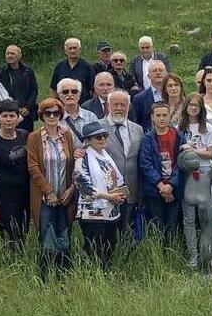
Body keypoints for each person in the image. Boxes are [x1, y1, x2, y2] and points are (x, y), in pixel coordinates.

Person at [27, 97, 76, 275]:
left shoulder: (67, 135)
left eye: (56, 113)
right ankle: (45, 276)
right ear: (42, 115)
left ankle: (63, 274)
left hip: (65, 195)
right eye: (48, 113)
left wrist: (71, 189)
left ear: (60, 115)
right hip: (44, 197)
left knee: (64, 234)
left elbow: (72, 164)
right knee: (46, 235)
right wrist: (48, 192)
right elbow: (33, 167)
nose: (52, 116)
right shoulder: (34, 138)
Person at [73, 121, 126, 269]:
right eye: (97, 137)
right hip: (92, 213)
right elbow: (82, 185)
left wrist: (119, 194)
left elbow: (116, 179)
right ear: (88, 140)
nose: (102, 139)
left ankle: (105, 274)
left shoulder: (105, 155)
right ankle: (90, 276)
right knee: (94, 248)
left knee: (110, 244)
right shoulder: (82, 158)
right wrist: (109, 197)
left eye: (104, 136)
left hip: (111, 211)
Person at [0, 99, 31, 245]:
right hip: (5, 196)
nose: (8, 119)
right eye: (4, 116)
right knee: (9, 235)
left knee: (24, 231)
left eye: (12, 116)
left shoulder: (24, 135)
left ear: (17, 118)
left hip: (25, 193)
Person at [179, 92, 212, 265]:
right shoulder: (179, 128)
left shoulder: (208, 128)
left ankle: (208, 252)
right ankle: (193, 256)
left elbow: (210, 154)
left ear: (201, 108)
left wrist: (192, 150)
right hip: (185, 174)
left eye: (197, 105)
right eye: (191, 105)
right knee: (188, 218)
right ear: (186, 106)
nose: (193, 108)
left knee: (205, 215)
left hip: (203, 173)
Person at [100, 90, 144, 237]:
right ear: (108, 106)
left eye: (123, 105)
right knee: (108, 234)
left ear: (129, 107)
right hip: (108, 191)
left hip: (132, 188)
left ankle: (128, 258)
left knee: (129, 230)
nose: (119, 108)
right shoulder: (97, 127)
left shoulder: (138, 129)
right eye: (115, 104)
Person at [139, 102, 185, 236]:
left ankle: (172, 253)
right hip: (155, 189)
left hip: (174, 188)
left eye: (165, 115)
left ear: (170, 116)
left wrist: (171, 185)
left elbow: (181, 162)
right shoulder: (147, 138)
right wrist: (161, 186)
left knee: (172, 225)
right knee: (157, 224)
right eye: (158, 115)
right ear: (152, 117)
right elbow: (145, 164)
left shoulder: (178, 136)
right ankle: (158, 253)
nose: (162, 118)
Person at [0, 45, 38, 132]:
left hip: (26, 113)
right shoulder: (0, 72)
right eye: (7, 53)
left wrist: (28, 107)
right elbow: (0, 92)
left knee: (27, 138)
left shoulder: (28, 71)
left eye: (12, 53)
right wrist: (16, 108)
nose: (9, 56)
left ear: (19, 56)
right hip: (9, 112)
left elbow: (34, 90)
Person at [49, 38, 95, 104]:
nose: (72, 51)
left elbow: (94, 90)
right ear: (65, 51)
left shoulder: (87, 67)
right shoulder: (59, 66)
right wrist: (54, 104)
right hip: (63, 106)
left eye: (75, 48)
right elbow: (54, 89)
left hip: (83, 106)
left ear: (79, 50)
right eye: (70, 48)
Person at [57, 78, 99, 147]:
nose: (70, 94)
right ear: (60, 96)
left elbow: (98, 140)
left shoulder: (91, 117)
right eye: (65, 92)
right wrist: (72, 152)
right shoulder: (55, 118)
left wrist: (84, 152)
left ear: (79, 95)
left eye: (74, 91)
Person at [130, 60, 168, 132]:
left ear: (166, 74)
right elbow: (136, 123)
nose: (158, 73)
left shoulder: (173, 94)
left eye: (161, 70)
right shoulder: (139, 98)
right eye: (154, 71)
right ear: (148, 76)